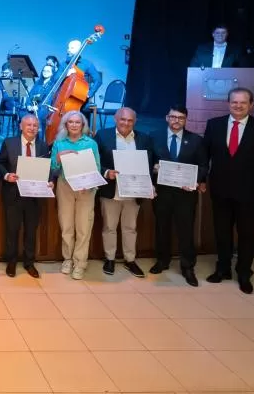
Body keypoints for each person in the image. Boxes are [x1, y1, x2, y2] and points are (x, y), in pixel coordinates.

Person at [203, 87, 254, 294]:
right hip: (220, 191)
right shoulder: (214, 125)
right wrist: (200, 179)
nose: (238, 106)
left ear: (251, 105)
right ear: (228, 103)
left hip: (249, 193)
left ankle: (244, 273)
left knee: (246, 234)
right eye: (234, 102)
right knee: (222, 233)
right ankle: (223, 269)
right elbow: (204, 156)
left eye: (243, 102)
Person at [94, 107, 156, 278]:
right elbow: (94, 161)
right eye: (123, 119)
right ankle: (110, 259)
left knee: (130, 227)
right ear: (116, 119)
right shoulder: (102, 135)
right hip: (111, 190)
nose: (126, 123)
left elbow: (149, 164)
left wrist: (149, 185)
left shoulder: (144, 139)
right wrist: (107, 172)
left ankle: (130, 260)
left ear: (135, 122)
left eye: (130, 120)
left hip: (134, 192)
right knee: (109, 227)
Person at [150, 105, 207, 286]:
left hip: (185, 193)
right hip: (162, 192)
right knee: (162, 227)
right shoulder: (154, 137)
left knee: (186, 230)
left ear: (185, 120)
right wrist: (153, 169)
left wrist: (195, 180)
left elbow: (203, 165)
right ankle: (162, 261)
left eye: (180, 118)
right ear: (167, 118)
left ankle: (187, 266)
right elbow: (148, 161)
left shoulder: (196, 140)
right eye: (173, 117)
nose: (176, 121)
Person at [0, 114, 52, 278]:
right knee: (12, 230)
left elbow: (47, 168)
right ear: (21, 126)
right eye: (28, 125)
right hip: (13, 194)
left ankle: (29, 262)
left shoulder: (43, 146)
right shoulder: (9, 143)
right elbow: (0, 162)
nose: (32, 128)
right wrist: (7, 175)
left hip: (35, 196)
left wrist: (50, 181)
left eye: (35, 125)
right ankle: (11, 262)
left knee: (31, 231)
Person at [50, 110, 100, 280]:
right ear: (65, 125)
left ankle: (80, 263)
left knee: (83, 227)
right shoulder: (59, 143)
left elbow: (97, 167)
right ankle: (68, 259)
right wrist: (58, 158)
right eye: (70, 122)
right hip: (65, 186)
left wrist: (89, 183)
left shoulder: (91, 143)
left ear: (83, 125)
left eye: (77, 122)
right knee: (66, 226)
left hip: (86, 188)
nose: (74, 125)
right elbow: (54, 169)